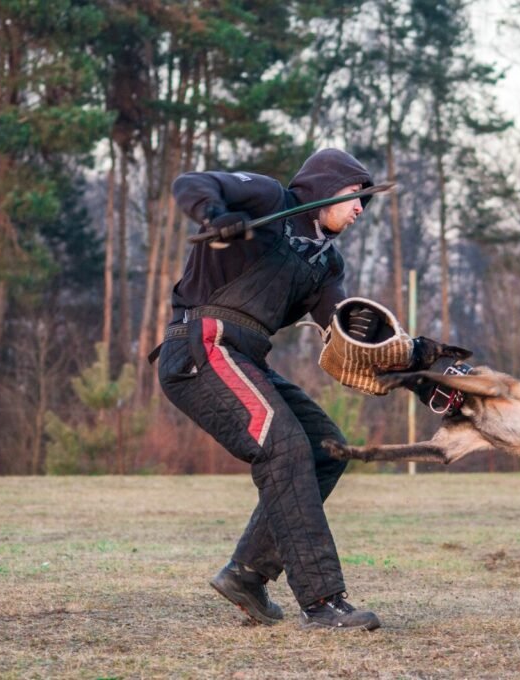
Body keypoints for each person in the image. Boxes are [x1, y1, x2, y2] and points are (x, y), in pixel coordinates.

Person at [156, 148, 383, 631]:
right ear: (324, 186)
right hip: (202, 344)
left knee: (326, 448)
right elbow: (191, 182)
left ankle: (247, 574)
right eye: (354, 195)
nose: (360, 208)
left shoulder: (327, 263)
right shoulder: (268, 198)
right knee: (284, 447)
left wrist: (391, 345)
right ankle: (322, 600)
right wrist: (214, 214)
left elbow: (340, 328)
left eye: (365, 200)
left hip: (244, 357)